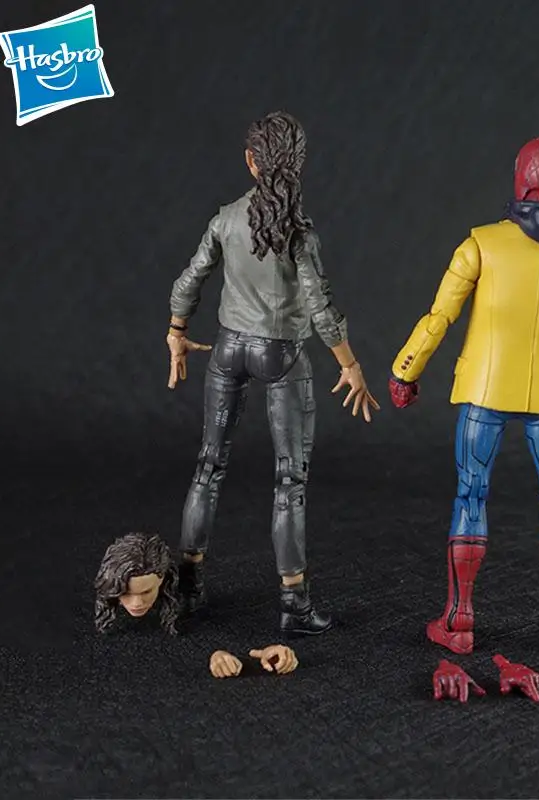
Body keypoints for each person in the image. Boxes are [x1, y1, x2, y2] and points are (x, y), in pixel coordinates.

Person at [389, 137, 539, 656]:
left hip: (486, 389)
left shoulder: (481, 244)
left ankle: (458, 620)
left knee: (470, 494)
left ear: (521, 178)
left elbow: (440, 317)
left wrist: (404, 371)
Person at [167, 111, 379, 636]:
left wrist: (176, 330)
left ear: (251, 161)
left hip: (228, 349)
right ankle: (293, 603)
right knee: (290, 480)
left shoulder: (225, 219)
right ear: (297, 165)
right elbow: (321, 307)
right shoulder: (298, 232)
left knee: (208, 466)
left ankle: (188, 587)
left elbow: (191, 278)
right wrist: (350, 364)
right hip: (282, 354)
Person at [94, 533, 300, 677]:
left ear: (163, 581)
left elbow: (226, 631)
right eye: (125, 593)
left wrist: (256, 652)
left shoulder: (187, 606)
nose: (137, 603)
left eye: (146, 592)